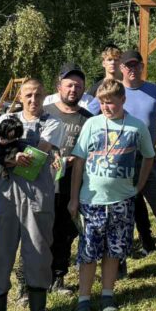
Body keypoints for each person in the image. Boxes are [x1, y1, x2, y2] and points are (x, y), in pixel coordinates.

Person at [0, 78, 63, 311]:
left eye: (38, 95)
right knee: (1, 252)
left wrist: (5, 157)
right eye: (28, 95)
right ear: (19, 97)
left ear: (45, 96)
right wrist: (7, 157)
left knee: (38, 250)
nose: (33, 100)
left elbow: (36, 157)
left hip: (37, 193)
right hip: (6, 193)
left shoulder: (52, 122)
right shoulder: (5, 120)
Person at [68, 79, 154, 311]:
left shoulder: (136, 127)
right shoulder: (92, 124)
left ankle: (107, 295)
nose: (106, 107)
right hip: (92, 200)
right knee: (88, 252)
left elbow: (149, 156)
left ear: (123, 100)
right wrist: (74, 198)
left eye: (111, 103)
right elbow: (79, 162)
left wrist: (140, 185)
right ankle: (84, 299)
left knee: (113, 250)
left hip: (122, 200)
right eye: (102, 103)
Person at [109, 50, 156, 281]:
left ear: (142, 66)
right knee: (119, 215)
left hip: (148, 160)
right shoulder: (112, 90)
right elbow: (91, 117)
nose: (132, 69)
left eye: (136, 65)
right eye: (127, 65)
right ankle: (118, 267)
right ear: (121, 68)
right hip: (119, 162)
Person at [45, 63, 93, 296]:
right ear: (59, 87)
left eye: (78, 86)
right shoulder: (45, 112)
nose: (74, 89)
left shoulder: (88, 119)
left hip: (72, 184)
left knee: (65, 232)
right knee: (41, 232)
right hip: (42, 183)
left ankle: (58, 277)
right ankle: (33, 280)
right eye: (69, 85)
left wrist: (76, 159)